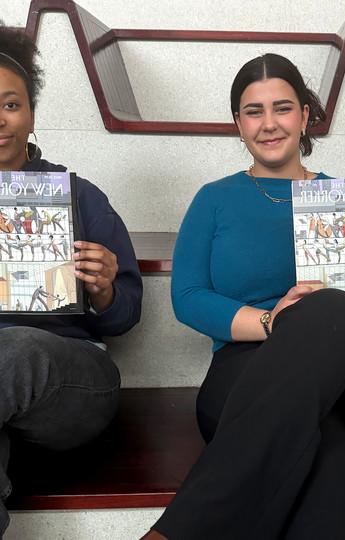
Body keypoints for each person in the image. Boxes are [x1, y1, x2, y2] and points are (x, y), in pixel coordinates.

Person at [143, 53, 345, 540]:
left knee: (328, 305)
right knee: (324, 452)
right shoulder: (214, 199)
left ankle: (181, 529)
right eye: (253, 111)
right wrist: (271, 322)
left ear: (305, 116)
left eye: (282, 108)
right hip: (245, 371)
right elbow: (187, 296)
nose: (269, 124)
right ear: (238, 124)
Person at [0, 24, 142, 535]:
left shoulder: (78, 195)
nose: (0, 120)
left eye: (11, 104)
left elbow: (127, 314)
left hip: (73, 381)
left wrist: (104, 288)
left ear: (31, 113)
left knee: (12, 350)